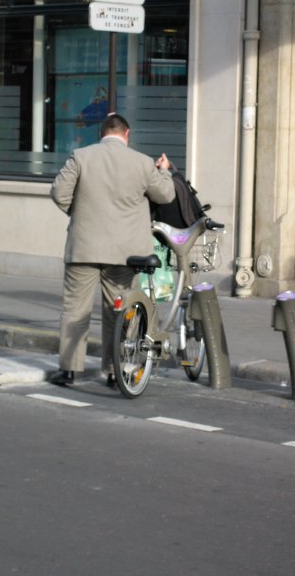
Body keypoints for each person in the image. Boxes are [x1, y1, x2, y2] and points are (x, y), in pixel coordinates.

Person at [50, 113, 175, 387]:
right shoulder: (142, 163)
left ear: (101, 133)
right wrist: (164, 170)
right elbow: (166, 195)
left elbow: (59, 192)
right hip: (125, 252)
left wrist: (78, 213)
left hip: (84, 246)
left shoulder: (81, 156)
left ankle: (70, 371)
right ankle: (114, 371)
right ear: (126, 135)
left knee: (75, 311)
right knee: (119, 312)